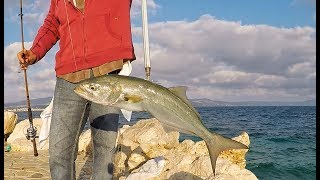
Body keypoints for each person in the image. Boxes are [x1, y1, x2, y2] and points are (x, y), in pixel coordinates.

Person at [17, 0, 136, 179]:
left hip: (108, 74)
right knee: (59, 152)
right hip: (68, 78)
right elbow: (52, 24)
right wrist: (35, 52)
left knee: (104, 150)